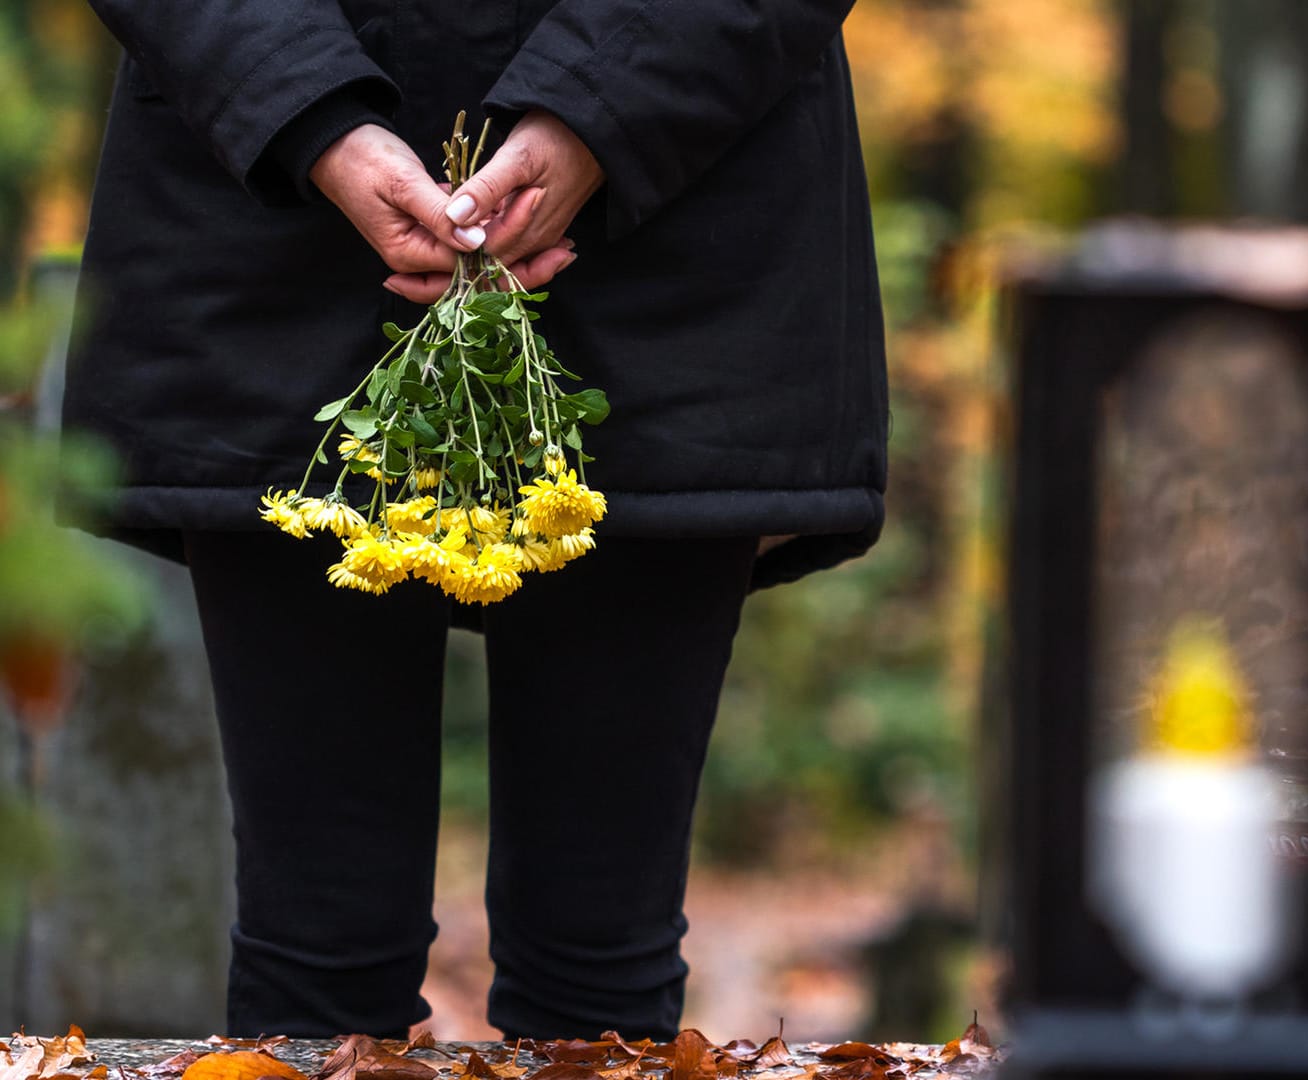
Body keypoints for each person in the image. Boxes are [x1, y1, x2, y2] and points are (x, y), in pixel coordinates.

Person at [65, 0, 887, 1042]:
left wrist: (601, 113)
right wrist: (313, 119)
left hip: (679, 214)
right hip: (272, 225)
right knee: (317, 947)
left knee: (596, 966)